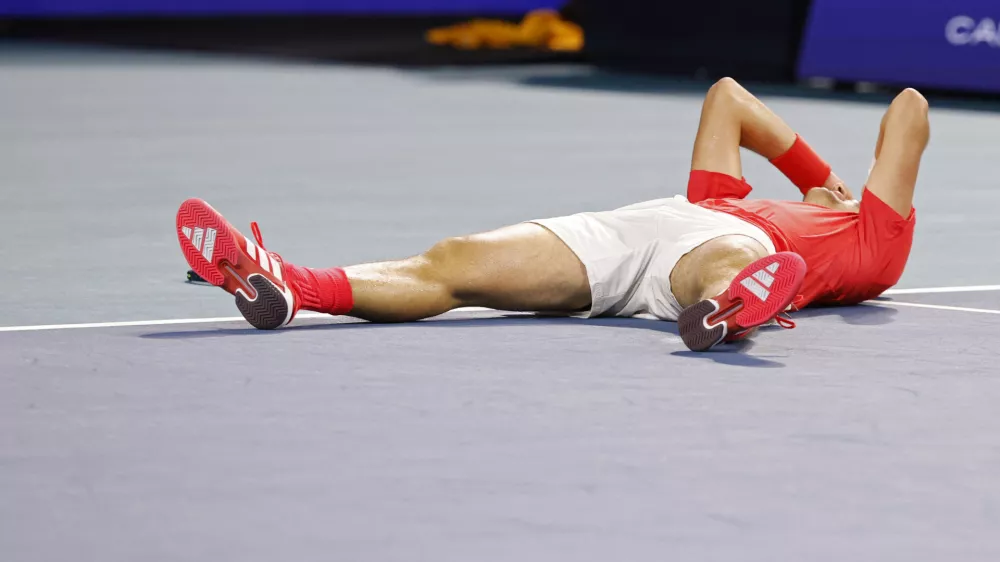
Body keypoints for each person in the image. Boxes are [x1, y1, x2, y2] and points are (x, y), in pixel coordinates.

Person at [175, 78, 928, 351]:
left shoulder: (877, 241)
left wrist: (837, 195)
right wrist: (819, 178)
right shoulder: (733, 194)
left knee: (722, 262)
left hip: (738, 246)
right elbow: (728, 97)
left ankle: (731, 306)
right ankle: (287, 284)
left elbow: (909, 109)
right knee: (456, 261)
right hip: (644, 224)